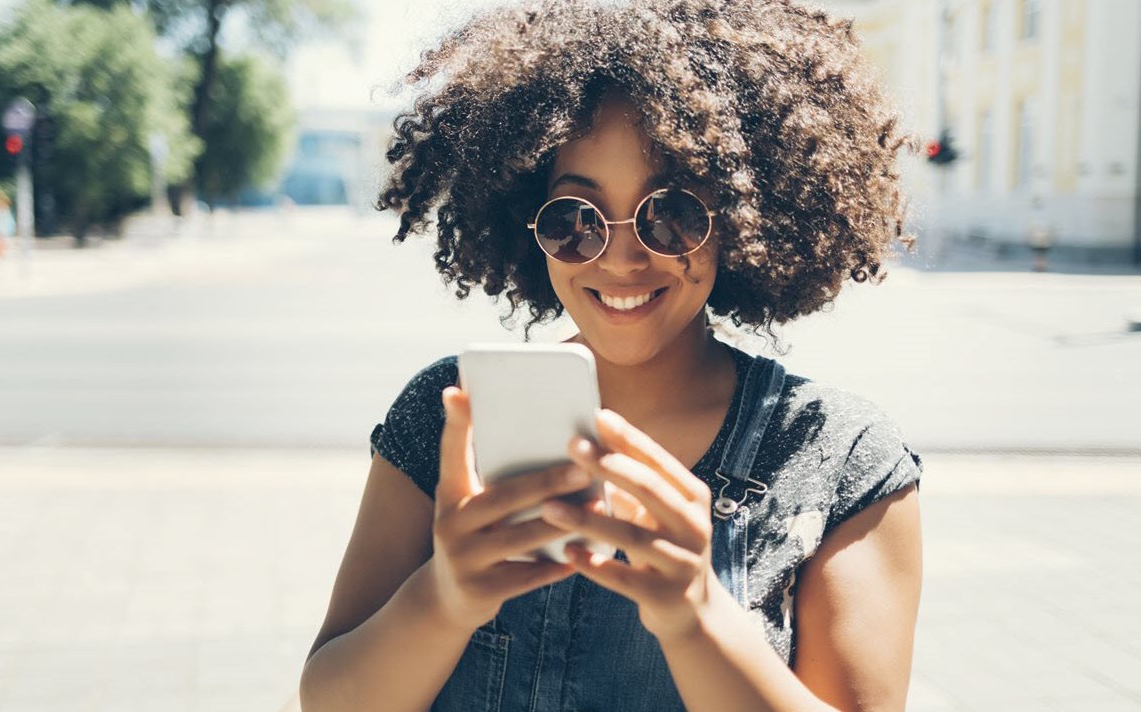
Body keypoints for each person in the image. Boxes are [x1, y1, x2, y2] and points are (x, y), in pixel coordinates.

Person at [300, 2, 924, 711]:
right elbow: (328, 700)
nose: (623, 257)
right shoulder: (447, 416)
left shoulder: (841, 457)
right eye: (575, 219)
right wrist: (443, 599)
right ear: (526, 223)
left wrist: (696, 616)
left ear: (746, 220)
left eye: (671, 212)